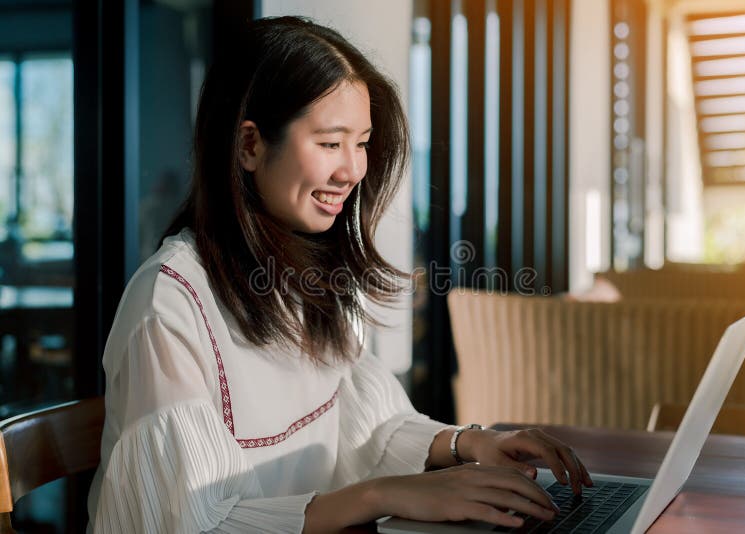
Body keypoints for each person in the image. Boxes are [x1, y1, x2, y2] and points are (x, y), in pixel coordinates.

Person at [87, 16, 592, 533]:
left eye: (363, 142)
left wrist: (472, 442)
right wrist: (382, 495)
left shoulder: (309, 277)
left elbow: (369, 429)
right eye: (331, 143)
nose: (353, 170)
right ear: (250, 146)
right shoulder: (168, 305)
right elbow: (193, 522)